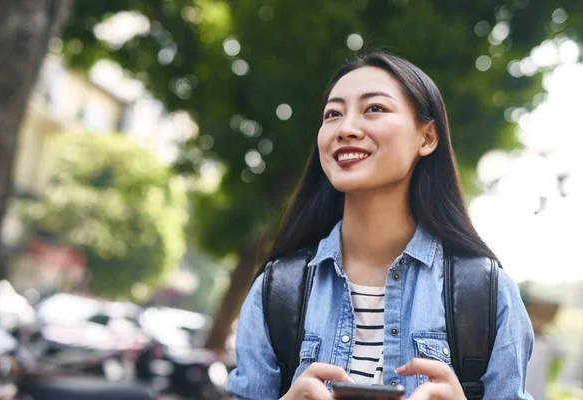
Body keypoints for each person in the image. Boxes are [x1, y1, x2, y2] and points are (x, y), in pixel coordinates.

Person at [226, 51, 534, 399]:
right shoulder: (276, 290)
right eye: (333, 114)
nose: (346, 129)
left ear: (427, 137)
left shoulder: (489, 293)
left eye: (374, 108)